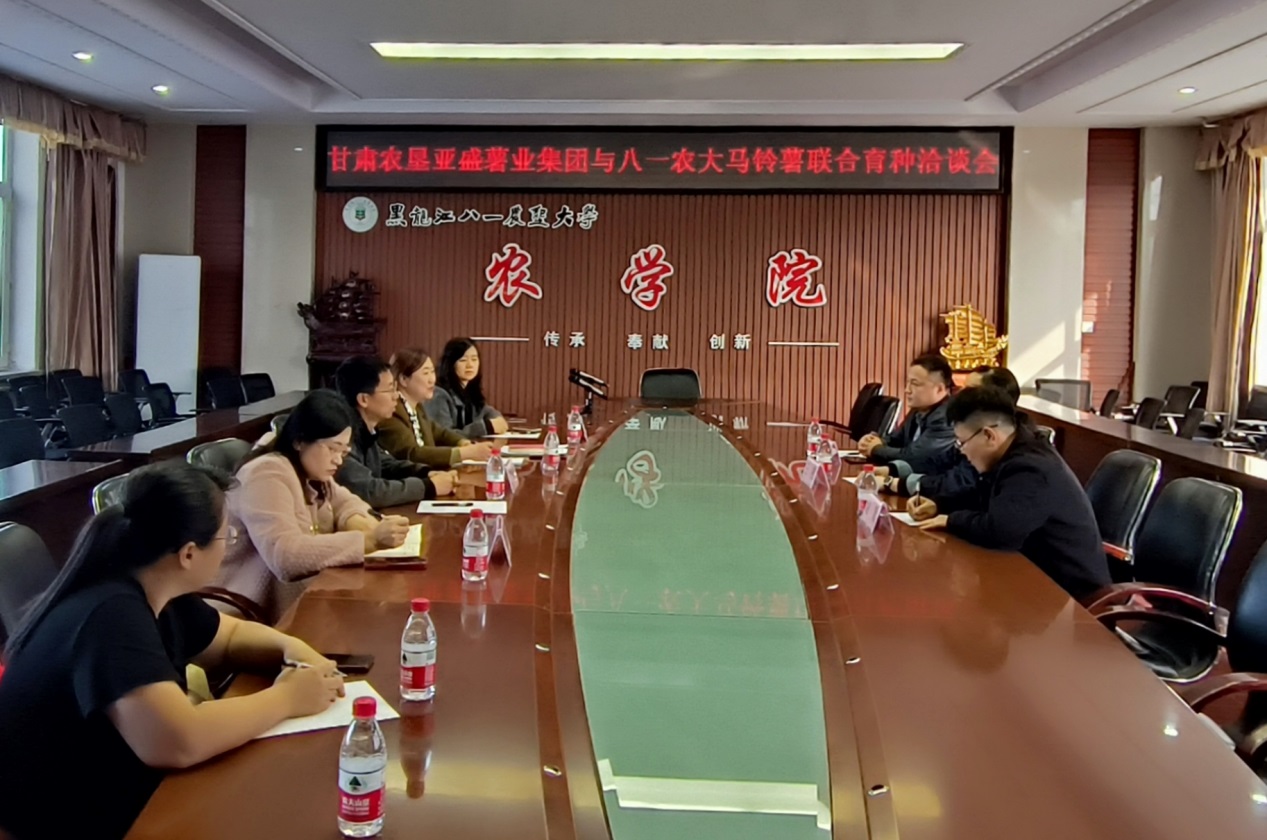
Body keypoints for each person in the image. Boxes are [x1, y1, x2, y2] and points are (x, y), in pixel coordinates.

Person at [0, 461, 344, 840]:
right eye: (226, 537)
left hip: (121, 794)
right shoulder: (112, 615)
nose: (228, 546)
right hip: (70, 820)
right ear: (189, 554)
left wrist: (293, 649)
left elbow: (228, 637)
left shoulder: (154, 585)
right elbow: (179, 741)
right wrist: (289, 697)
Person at [217, 390, 412, 622]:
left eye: (344, 451)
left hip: (300, 601)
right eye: (332, 448)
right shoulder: (266, 473)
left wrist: (358, 522)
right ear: (300, 441)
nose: (338, 460)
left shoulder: (310, 469)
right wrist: (369, 540)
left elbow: (345, 501)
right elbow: (285, 556)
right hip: (248, 613)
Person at [907, 386, 1111, 601]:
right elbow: (983, 494)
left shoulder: (1031, 468)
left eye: (961, 443)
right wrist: (939, 504)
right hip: (1037, 583)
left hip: (1072, 598)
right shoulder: (1014, 450)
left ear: (989, 435)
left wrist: (951, 520)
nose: (962, 451)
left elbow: (1000, 531)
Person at [877, 366, 1022, 501]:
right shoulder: (971, 429)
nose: (960, 395)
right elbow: (939, 461)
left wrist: (894, 483)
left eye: (970, 390)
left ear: (994, 399)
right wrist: (893, 470)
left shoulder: (1009, 448)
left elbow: (957, 484)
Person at [336, 356, 457, 507]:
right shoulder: (340, 436)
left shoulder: (366, 430)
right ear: (364, 399)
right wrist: (429, 486)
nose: (396, 396)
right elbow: (370, 491)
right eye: (389, 390)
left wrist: (426, 473)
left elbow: (386, 465)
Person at [378, 347, 495, 469]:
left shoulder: (417, 406)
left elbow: (438, 432)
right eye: (425, 373)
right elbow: (411, 453)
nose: (432, 380)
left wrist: (463, 443)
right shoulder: (391, 410)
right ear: (403, 379)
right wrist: (463, 453)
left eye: (432, 372)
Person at [857, 354, 957, 474]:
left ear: (939, 389)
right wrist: (875, 441)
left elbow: (915, 458)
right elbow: (896, 439)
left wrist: (875, 449)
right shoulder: (919, 408)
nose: (907, 390)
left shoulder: (947, 417)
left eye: (915, 384)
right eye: (908, 383)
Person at [425, 337, 510, 438]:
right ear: (451, 363)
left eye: (474, 359)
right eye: (463, 360)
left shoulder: (470, 392)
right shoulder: (438, 394)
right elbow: (444, 436)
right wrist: (486, 427)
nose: (470, 365)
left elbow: (488, 412)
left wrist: (497, 420)